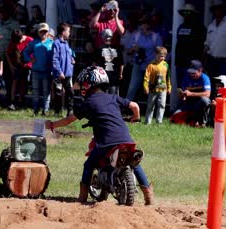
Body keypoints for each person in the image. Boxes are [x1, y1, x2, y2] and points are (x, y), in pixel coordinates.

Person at [44, 66, 155, 205]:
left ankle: (82, 196)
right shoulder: (112, 97)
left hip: (106, 142)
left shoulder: (88, 103)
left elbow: (69, 120)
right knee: (134, 164)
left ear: (87, 84)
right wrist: (135, 118)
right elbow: (134, 106)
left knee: (89, 164)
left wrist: (52, 125)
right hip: (126, 139)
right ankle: (149, 195)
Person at [125, 15, 162, 101]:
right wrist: (134, 49)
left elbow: (161, 52)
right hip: (138, 64)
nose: (144, 25)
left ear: (150, 25)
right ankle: (125, 107)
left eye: (146, 23)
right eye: (142, 23)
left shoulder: (156, 37)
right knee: (132, 87)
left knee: (151, 89)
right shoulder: (136, 35)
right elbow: (128, 51)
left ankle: (150, 109)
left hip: (151, 66)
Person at [23, 23, 54, 116]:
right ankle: (35, 109)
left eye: (45, 31)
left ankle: (45, 110)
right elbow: (25, 52)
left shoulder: (52, 43)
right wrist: (29, 59)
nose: (43, 33)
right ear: (38, 32)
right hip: (36, 70)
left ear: (48, 33)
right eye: (41, 31)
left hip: (47, 71)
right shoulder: (34, 43)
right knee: (35, 90)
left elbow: (57, 55)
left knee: (46, 91)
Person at [175, 3, 206, 85]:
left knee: (190, 87)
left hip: (192, 64)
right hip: (180, 63)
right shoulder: (180, 27)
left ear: (193, 14)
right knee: (180, 86)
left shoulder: (200, 27)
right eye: (184, 13)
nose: (186, 15)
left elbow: (202, 46)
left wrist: (198, 63)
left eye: (188, 12)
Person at [175, 60, 211, 127]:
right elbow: (183, 96)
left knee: (205, 100)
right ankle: (193, 121)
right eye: (190, 72)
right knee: (175, 117)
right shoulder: (186, 77)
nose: (191, 74)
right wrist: (182, 95)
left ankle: (202, 122)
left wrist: (191, 94)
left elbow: (207, 94)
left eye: (194, 72)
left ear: (200, 70)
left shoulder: (205, 78)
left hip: (200, 104)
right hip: (189, 103)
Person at [6, 29, 33, 110]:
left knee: (23, 83)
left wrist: (31, 62)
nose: (19, 42)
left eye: (20, 40)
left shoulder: (30, 40)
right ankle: (12, 101)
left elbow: (35, 51)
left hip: (26, 65)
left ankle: (21, 101)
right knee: (15, 82)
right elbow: (8, 53)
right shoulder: (13, 42)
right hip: (16, 65)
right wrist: (11, 65)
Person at [52, 22, 75, 117]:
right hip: (59, 74)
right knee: (58, 92)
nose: (69, 33)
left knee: (70, 92)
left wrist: (72, 59)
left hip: (68, 73)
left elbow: (68, 55)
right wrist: (59, 71)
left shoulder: (66, 43)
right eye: (68, 31)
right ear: (63, 32)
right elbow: (55, 59)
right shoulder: (56, 43)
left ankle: (70, 110)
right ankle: (57, 111)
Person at [143, 46, 171, 124]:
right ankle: (148, 121)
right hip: (153, 88)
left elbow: (168, 76)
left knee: (162, 104)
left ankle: (159, 121)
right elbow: (146, 77)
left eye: (163, 56)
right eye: (160, 56)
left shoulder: (166, 65)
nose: (162, 58)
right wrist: (145, 86)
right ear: (155, 55)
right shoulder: (151, 65)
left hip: (163, 88)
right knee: (151, 105)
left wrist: (169, 87)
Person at [92, 28, 124, 95]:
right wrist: (121, 73)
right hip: (114, 77)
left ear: (103, 37)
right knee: (114, 96)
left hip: (103, 77)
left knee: (103, 96)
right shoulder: (117, 49)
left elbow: (94, 64)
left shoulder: (99, 48)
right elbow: (121, 63)